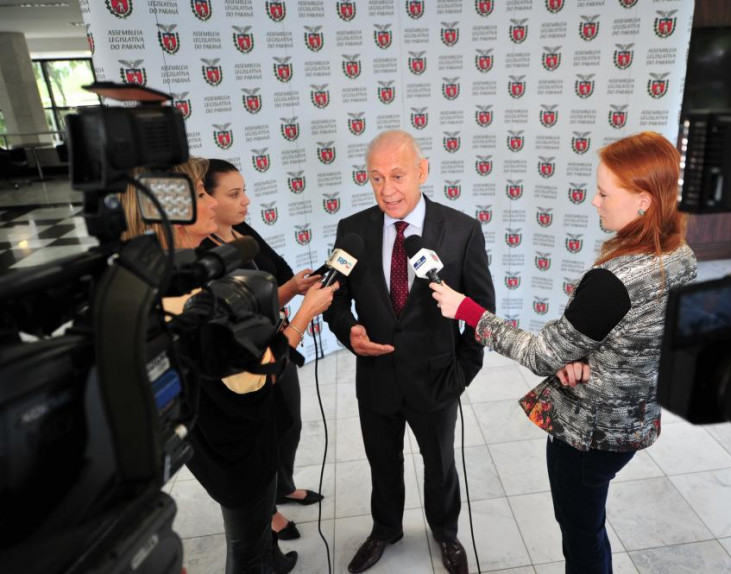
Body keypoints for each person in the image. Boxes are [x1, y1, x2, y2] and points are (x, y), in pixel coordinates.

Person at [430, 131, 698, 574]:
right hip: (636, 421)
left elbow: (541, 354)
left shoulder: (613, 281)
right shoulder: (680, 255)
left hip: (591, 436)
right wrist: (592, 359)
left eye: (604, 193)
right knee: (589, 523)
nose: (594, 201)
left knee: (581, 531)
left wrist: (469, 311)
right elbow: (645, 339)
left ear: (644, 201)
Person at [120, 157, 339, 573]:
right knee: (247, 547)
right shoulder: (184, 288)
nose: (213, 203)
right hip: (229, 441)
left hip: (233, 431)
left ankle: (273, 560)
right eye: (203, 194)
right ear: (174, 212)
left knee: (257, 532)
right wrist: (303, 315)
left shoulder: (180, 269)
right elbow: (251, 378)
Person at [322, 130, 495, 574]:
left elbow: (481, 312)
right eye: (376, 178)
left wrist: (463, 371)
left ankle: (445, 532)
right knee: (382, 463)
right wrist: (350, 331)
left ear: (422, 171)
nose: (387, 190)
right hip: (376, 376)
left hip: (437, 379)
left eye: (397, 176)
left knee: (439, 467)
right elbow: (334, 300)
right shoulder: (353, 230)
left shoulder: (460, 231)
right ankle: (385, 529)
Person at [201, 159, 323, 542]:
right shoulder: (202, 259)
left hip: (279, 347)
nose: (246, 201)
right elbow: (241, 319)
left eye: (244, 191)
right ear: (205, 200)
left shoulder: (242, 232)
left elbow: (277, 278)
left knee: (289, 426)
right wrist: (302, 313)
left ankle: (282, 486)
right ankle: (266, 510)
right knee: (262, 439)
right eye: (234, 194)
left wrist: (297, 288)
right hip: (254, 363)